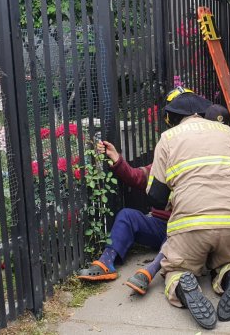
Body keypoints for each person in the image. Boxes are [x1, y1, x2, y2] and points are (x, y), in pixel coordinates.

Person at [147, 93, 230, 330]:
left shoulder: (168, 137)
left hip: (191, 223)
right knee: (229, 260)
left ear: (173, 118)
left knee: (175, 268)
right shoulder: (227, 133)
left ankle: (183, 283)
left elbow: (156, 196)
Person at [76, 87, 193, 295]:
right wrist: (117, 159)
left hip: (185, 226)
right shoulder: (167, 148)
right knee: (127, 216)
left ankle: (149, 272)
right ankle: (106, 263)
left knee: (175, 232)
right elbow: (140, 177)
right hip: (159, 224)